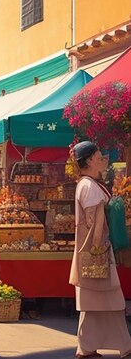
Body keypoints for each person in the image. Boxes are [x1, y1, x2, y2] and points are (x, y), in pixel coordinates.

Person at [69, 141, 131, 359]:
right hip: (96, 253)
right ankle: (122, 347)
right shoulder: (88, 186)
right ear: (88, 161)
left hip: (95, 252)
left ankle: (88, 348)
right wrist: (98, 248)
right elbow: (94, 223)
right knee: (109, 302)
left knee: (97, 304)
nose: (102, 160)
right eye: (98, 156)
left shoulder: (90, 184)